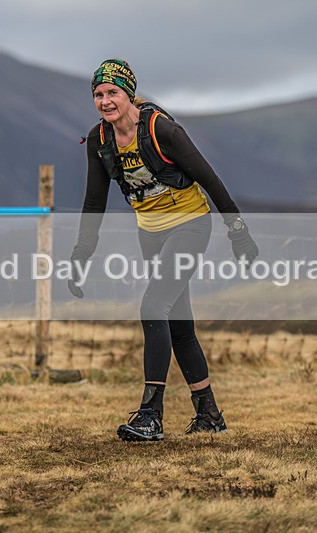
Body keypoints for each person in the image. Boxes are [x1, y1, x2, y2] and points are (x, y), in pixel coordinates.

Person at [69, 58, 259, 442]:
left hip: (190, 226)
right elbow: (94, 202)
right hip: (151, 234)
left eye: (113, 93)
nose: (105, 101)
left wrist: (237, 230)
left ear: (129, 94)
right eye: (99, 94)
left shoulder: (161, 130)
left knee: (153, 307)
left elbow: (209, 178)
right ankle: (208, 414)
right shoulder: (99, 141)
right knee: (178, 323)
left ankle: (150, 415)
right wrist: (81, 253)